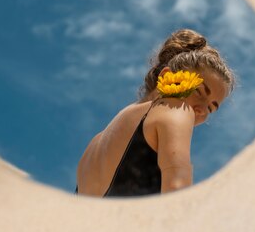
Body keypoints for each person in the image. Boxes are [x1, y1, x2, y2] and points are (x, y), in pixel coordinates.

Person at [75, 29, 236, 198]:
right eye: (199, 91)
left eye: (211, 108)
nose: (202, 109)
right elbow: (177, 188)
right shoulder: (175, 109)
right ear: (168, 75)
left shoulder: (96, 143)